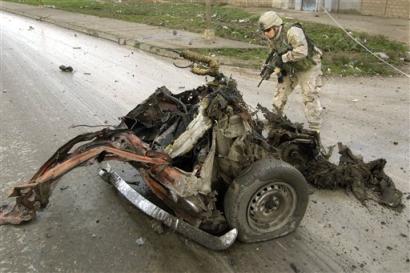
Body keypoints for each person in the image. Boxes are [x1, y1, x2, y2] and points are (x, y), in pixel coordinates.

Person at [258, 11, 323, 133]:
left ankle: (315, 128)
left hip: (308, 65)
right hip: (291, 65)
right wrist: (270, 68)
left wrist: (282, 59)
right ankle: (275, 118)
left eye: (267, 30)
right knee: (280, 90)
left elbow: (302, 51)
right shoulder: (272, 38)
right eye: (264, 32)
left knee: (309, 95)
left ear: (276, 27)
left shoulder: (292, 31)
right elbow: (274, 53)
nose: (266, 34)